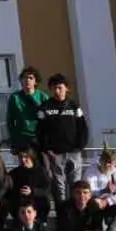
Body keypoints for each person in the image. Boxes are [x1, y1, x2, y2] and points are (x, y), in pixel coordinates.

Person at [36, 74, 89, 205]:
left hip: (74, 153)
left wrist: (80, 146)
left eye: (60, 87)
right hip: (56, 154)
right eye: (54, 88)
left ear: (67, 89)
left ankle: (76, 214)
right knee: (59, 187)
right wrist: (47, 149)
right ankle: (63, 214)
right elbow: (40, 131)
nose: (57, 91)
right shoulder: (45, 107)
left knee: (75, 186)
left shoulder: (74, 106)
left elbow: (83, 128)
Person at [5, 66, 48, 154]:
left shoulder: (43, 97)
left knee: (42, 166)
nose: (27, 80)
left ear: (35, 81)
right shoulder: (15, 97)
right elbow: (10, 121)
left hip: (39, 138)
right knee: (26, 166)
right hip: (22, 139)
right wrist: (14, 140)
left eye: (31, 78)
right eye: (25, 77)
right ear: (21, 80)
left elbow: (48, 120)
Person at [82, 148, 116, 213]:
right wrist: (104, 191)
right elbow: (87, 193)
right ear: (101, 161)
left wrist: (108, 201)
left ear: (115, 163)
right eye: (105, 161)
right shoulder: (90, 172)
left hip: (109, 202)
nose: (107, 165)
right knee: (95, 203)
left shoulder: (115, 172)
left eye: (110, 162)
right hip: (96, 202)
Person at [7, 149, 52, 221]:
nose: (23, 159)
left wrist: (32, 191)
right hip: (21, 204)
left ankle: (40, 221)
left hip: (37, 204)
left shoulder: (41, 171)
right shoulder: (17, 171)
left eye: (25, 157)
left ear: (31, 157)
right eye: (20, 157)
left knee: (44, 200)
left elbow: (47, 189)